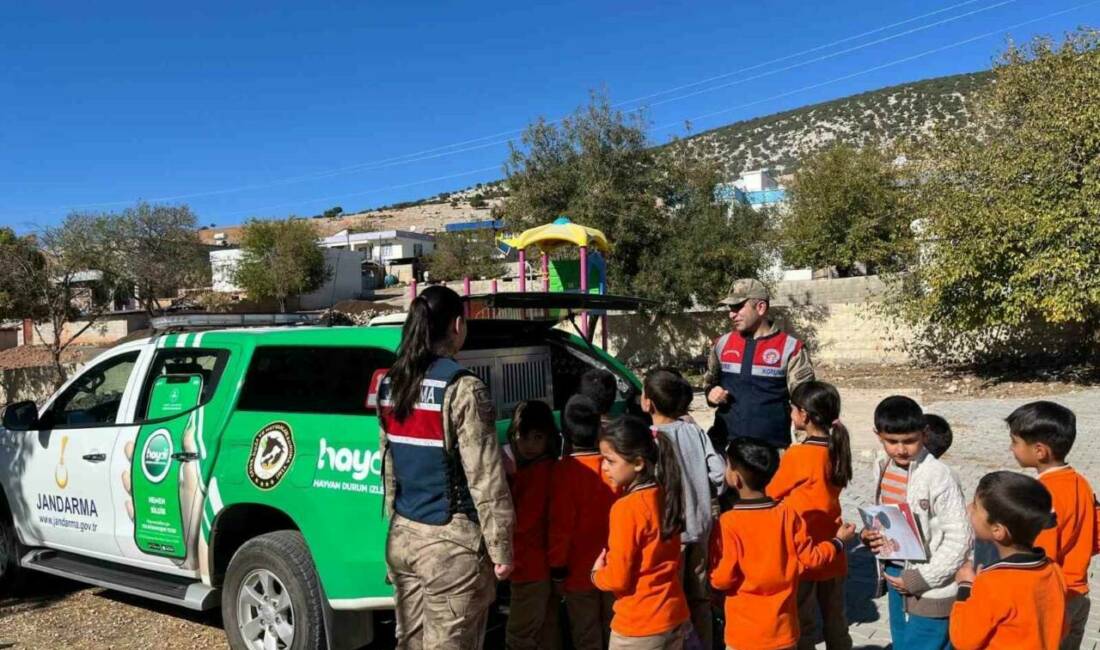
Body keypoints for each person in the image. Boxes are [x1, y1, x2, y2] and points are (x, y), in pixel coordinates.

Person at [378, 285, 515, 649]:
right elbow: (485, 476)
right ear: (457, 325)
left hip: (403, 537)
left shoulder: (391, 383)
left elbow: (389, 468)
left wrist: (393, 531)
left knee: (410, 641)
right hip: (450, 548)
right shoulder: (463, 388)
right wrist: (501, 550)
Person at [710, 437, 856, 650]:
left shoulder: (729, 522)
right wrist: (837, 542)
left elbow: (722, 579)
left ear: (736, 478)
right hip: (784, 629)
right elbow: (811, 558)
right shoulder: (788, 514)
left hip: (745, 632)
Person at [860, 396, 971, 650]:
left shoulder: (939, 476)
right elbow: (885, 516)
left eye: (909, 441)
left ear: (924, 434)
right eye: (892, 442)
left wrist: (922, 578)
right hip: (895, 573)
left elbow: (960, 538)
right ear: (878, 435)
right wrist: (869, 535)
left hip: (931, 584)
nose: (901, 449)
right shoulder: (882, 465)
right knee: (903, 642)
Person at [766, 381, 853, 650]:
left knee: (803, 621)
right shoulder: (837, 448)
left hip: (803, 545)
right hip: (833, 542)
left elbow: (772, 492)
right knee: (835, 618)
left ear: (803, 415)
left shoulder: (799, 455)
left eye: (792, 409)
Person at [642, 368, 725, 649]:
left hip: (669, 535)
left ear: (647, 402)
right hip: (700, 528)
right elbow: (718, 473)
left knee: (671, 598)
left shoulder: (647, 440)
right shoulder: (694, 431)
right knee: (700, 597)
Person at [592, 415, 691, 649]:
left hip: (639, 624)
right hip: (673, 613)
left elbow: (619, 578)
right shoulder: (665, 494)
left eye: (610, 460)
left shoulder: (626, 509)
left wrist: (597, 575)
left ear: (638, 463)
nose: (603, 467)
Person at [1006, 401, 1098, 650]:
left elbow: (1039, 557)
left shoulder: (1041, 497)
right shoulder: (1081, 483)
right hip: (1078, 595)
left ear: (1039, 451)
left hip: (1050, 601)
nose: (1011, 448)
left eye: (1015, 442)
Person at [949, 471, 1068, 650]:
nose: (968, 508)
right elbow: (1063, 627)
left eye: (975, 506)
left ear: (998, 530)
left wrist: (966, 586)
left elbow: (963, 640)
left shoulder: (992, 583)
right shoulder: (1053, 569)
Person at [703, 278, 815, 450]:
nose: (732, 314)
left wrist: (805, 447)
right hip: (726, 449)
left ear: (761, 307)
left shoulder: (791, 348)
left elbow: (806, 405)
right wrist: (711, 393)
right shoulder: (722, 344)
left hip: (771, 452)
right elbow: (710, 384)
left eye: (738, 307)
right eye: (730, 308)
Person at [549, 395, 618, 650]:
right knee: (614, 629)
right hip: (615, 566)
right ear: (600, 428)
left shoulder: (564, 472)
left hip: (578, 572)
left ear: (565, 432)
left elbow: (560, 527)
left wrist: (557, 570)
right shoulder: (614, 466)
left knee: (586, 635)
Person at [506, 401, 562, 650]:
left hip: (528, 567)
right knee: (547, 630)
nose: (528, 445)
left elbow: (523, 524)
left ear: (548, 438)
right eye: (522, 437)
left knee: (520, 635)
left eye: (537, 437)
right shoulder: (547, 469)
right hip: (545, 568)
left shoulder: (536, 475)